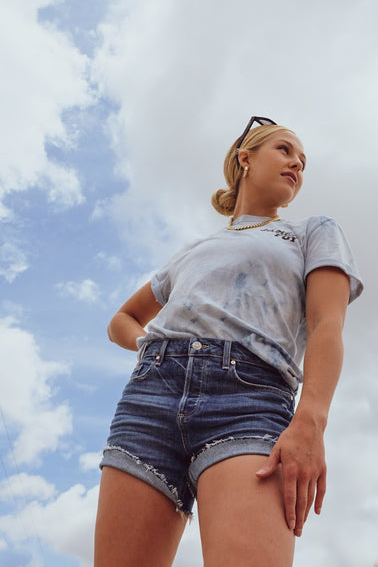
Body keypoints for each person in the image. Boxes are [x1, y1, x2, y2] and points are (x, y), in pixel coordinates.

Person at [94, 116, 363, 567]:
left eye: (303, 161)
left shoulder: (311, 232)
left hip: (250, 399)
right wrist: (150, 347)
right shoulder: (194, 249)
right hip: (149, 397)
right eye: (284, 150)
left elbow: (325, 325)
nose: (297, 163)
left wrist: (311, 421)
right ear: (245, 159)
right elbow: (122, 318)